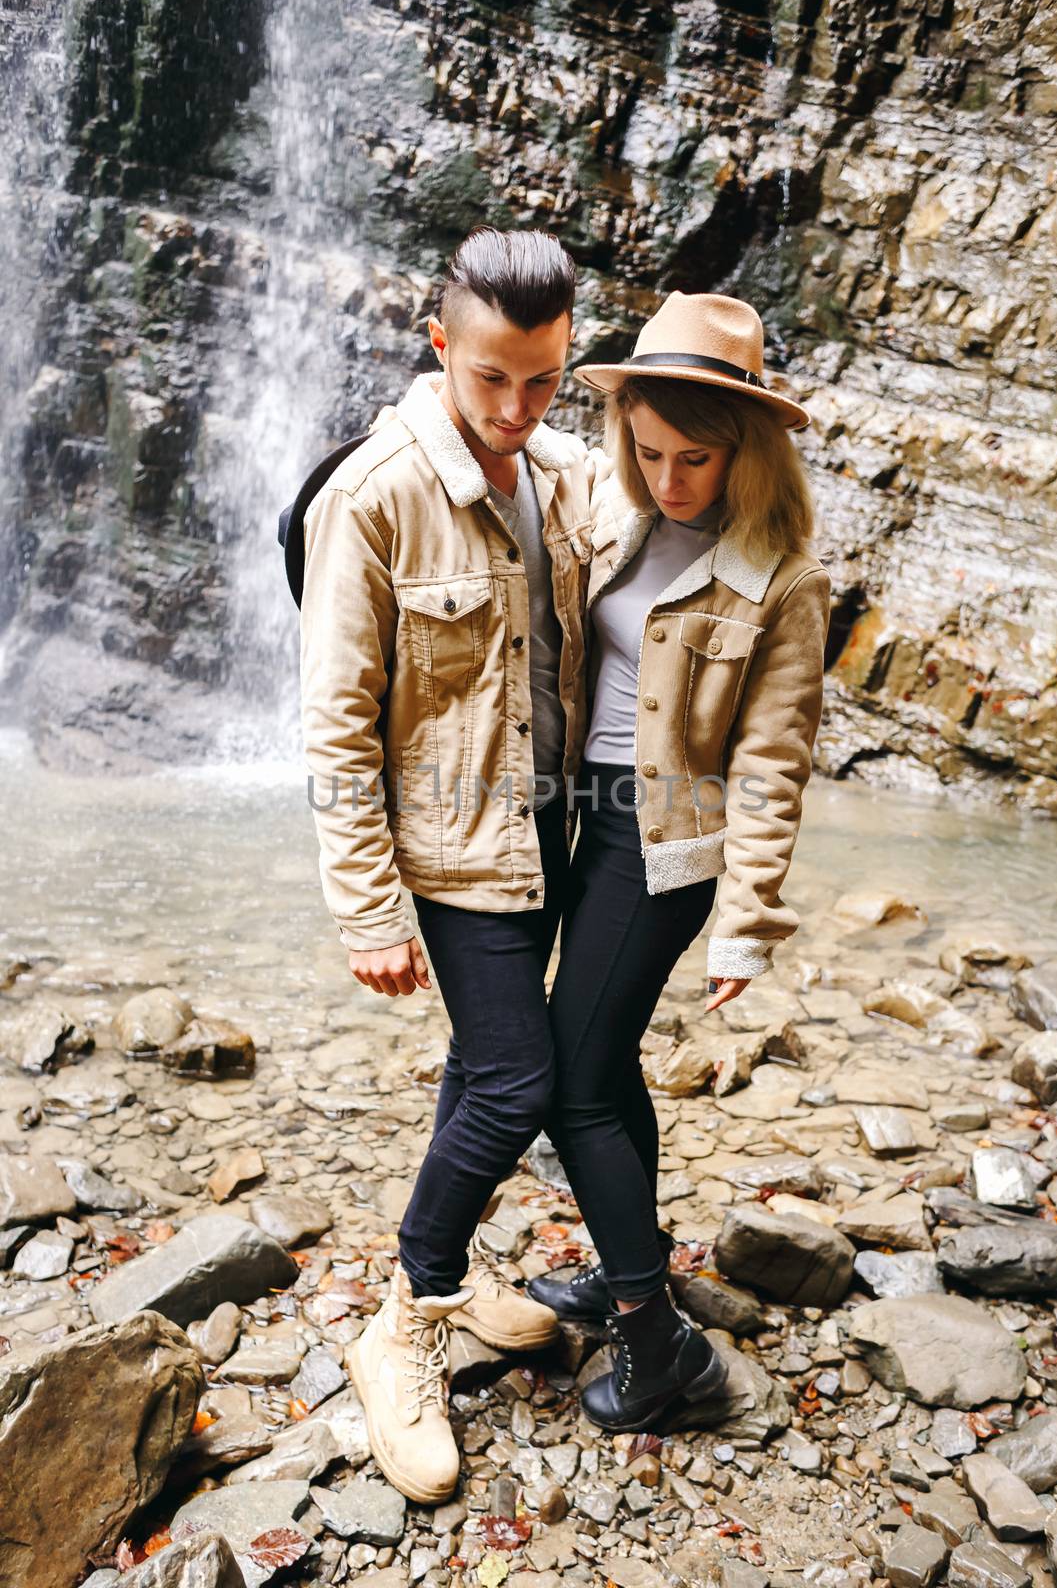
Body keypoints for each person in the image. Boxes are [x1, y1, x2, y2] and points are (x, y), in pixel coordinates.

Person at [299, 226, 599, 1503]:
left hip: (549, 831)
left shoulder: (569, 470)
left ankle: (456, 1279)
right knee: (520, 1083)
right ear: (440, 346)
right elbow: (334, 719)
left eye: (542, 381)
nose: (515, 410)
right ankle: (404, 1319)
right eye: (490, 380)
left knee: (484, 1065)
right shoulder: (372, 497)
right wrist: (369, 906)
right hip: (452, 845)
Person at [525, 290, 833, 1433]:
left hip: (658, 847)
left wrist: (748, 923)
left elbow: (770, 763)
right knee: (602, 1070)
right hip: (567, 816)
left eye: (694, 459)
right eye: (647, 451)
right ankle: (627, 1267)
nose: (669, 479)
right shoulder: (614, 508)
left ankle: (660, 1350)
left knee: (569, 1081)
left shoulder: (782, 583)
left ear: (744, 450)